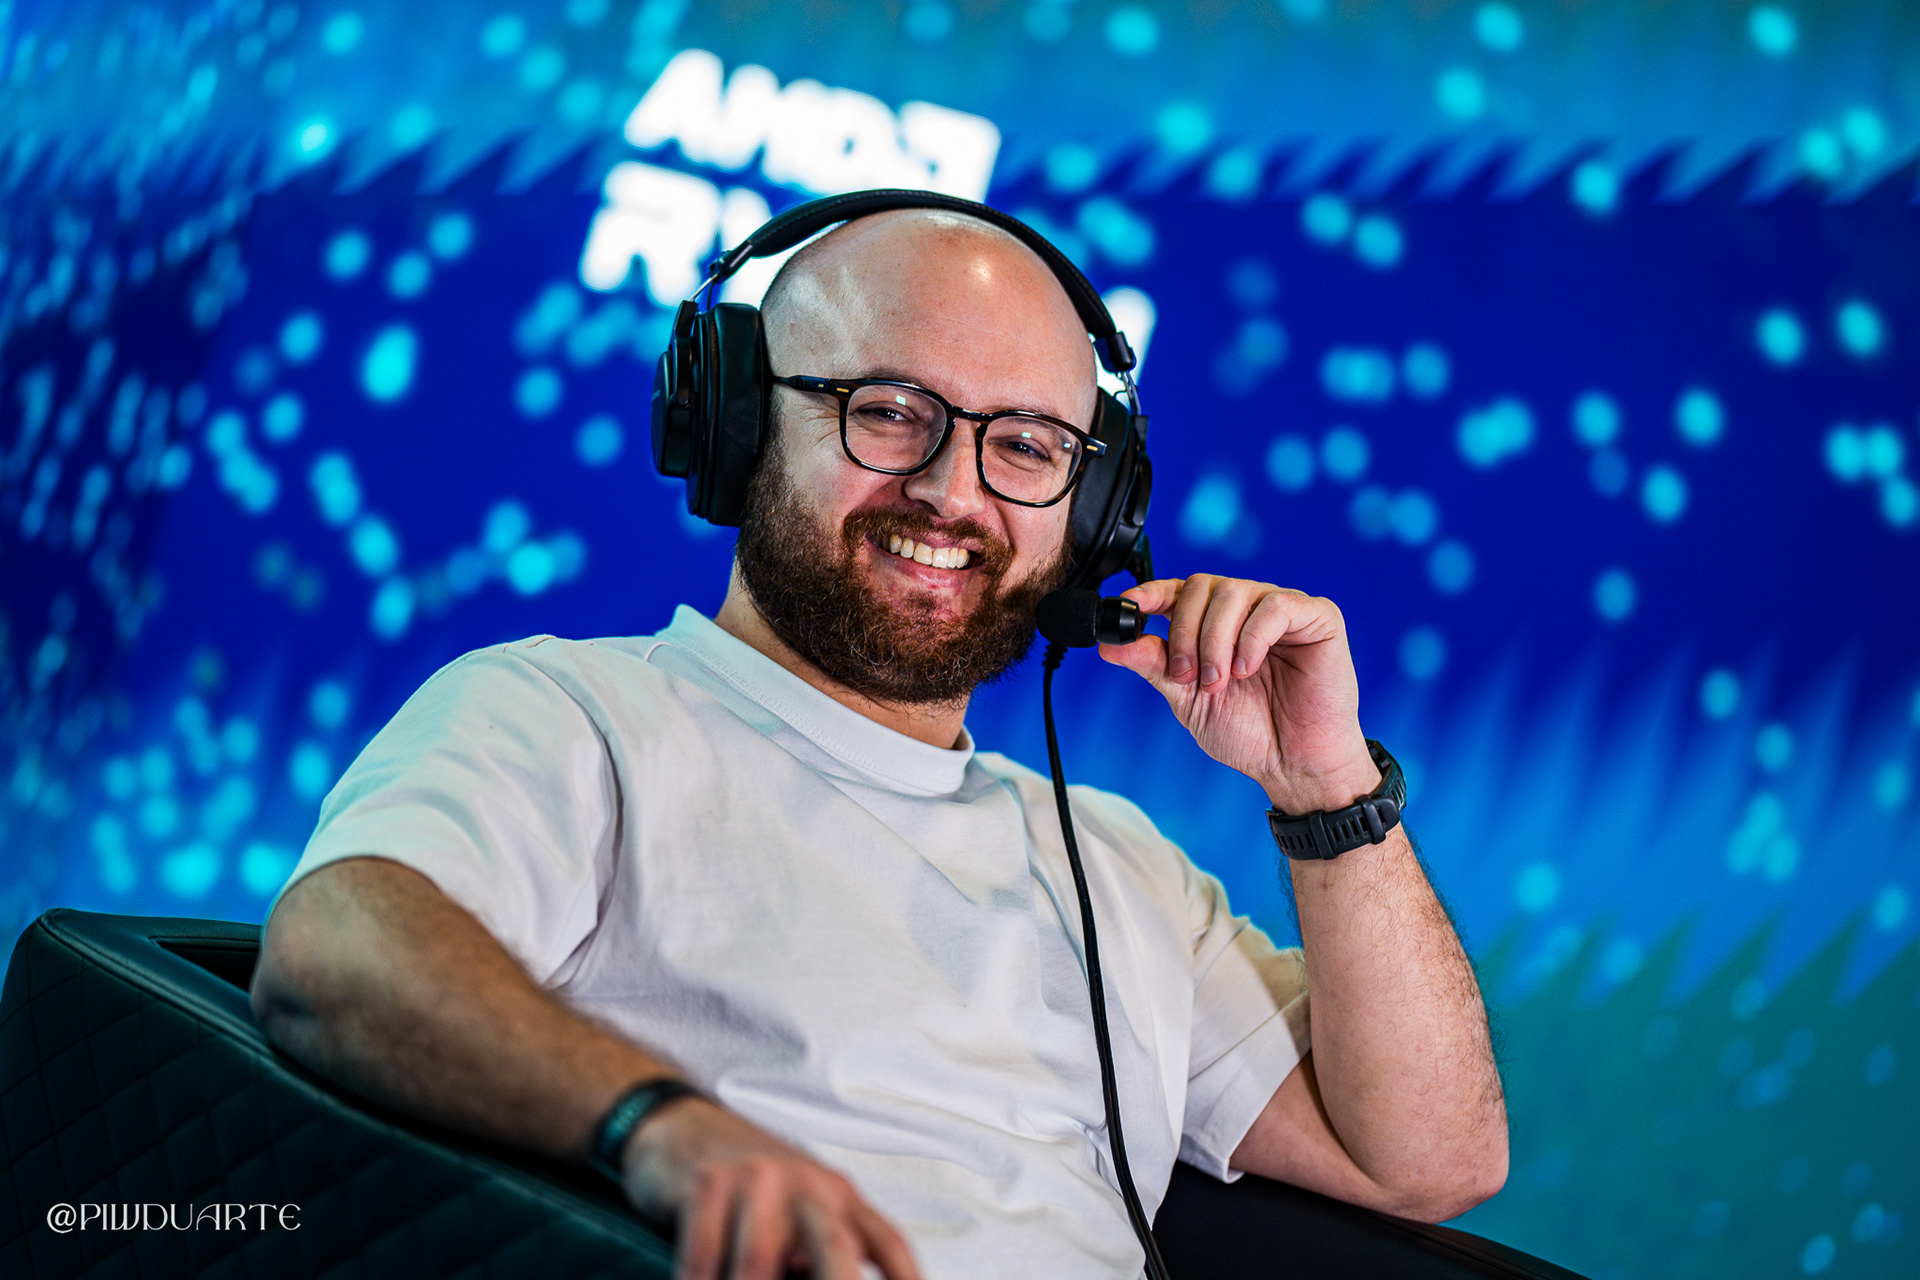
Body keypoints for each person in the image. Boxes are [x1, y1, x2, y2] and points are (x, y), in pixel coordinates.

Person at [251, 206, 1507, 1280]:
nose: (954, 492)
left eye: (1027, 445)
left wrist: (1327, 786)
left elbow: (1429, 1161)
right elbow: (331, 949)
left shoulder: (1117, 864)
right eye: (890, 410)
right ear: (736, 424)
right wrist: (655, 1122)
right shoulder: (566, 714)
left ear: (1095, 508)